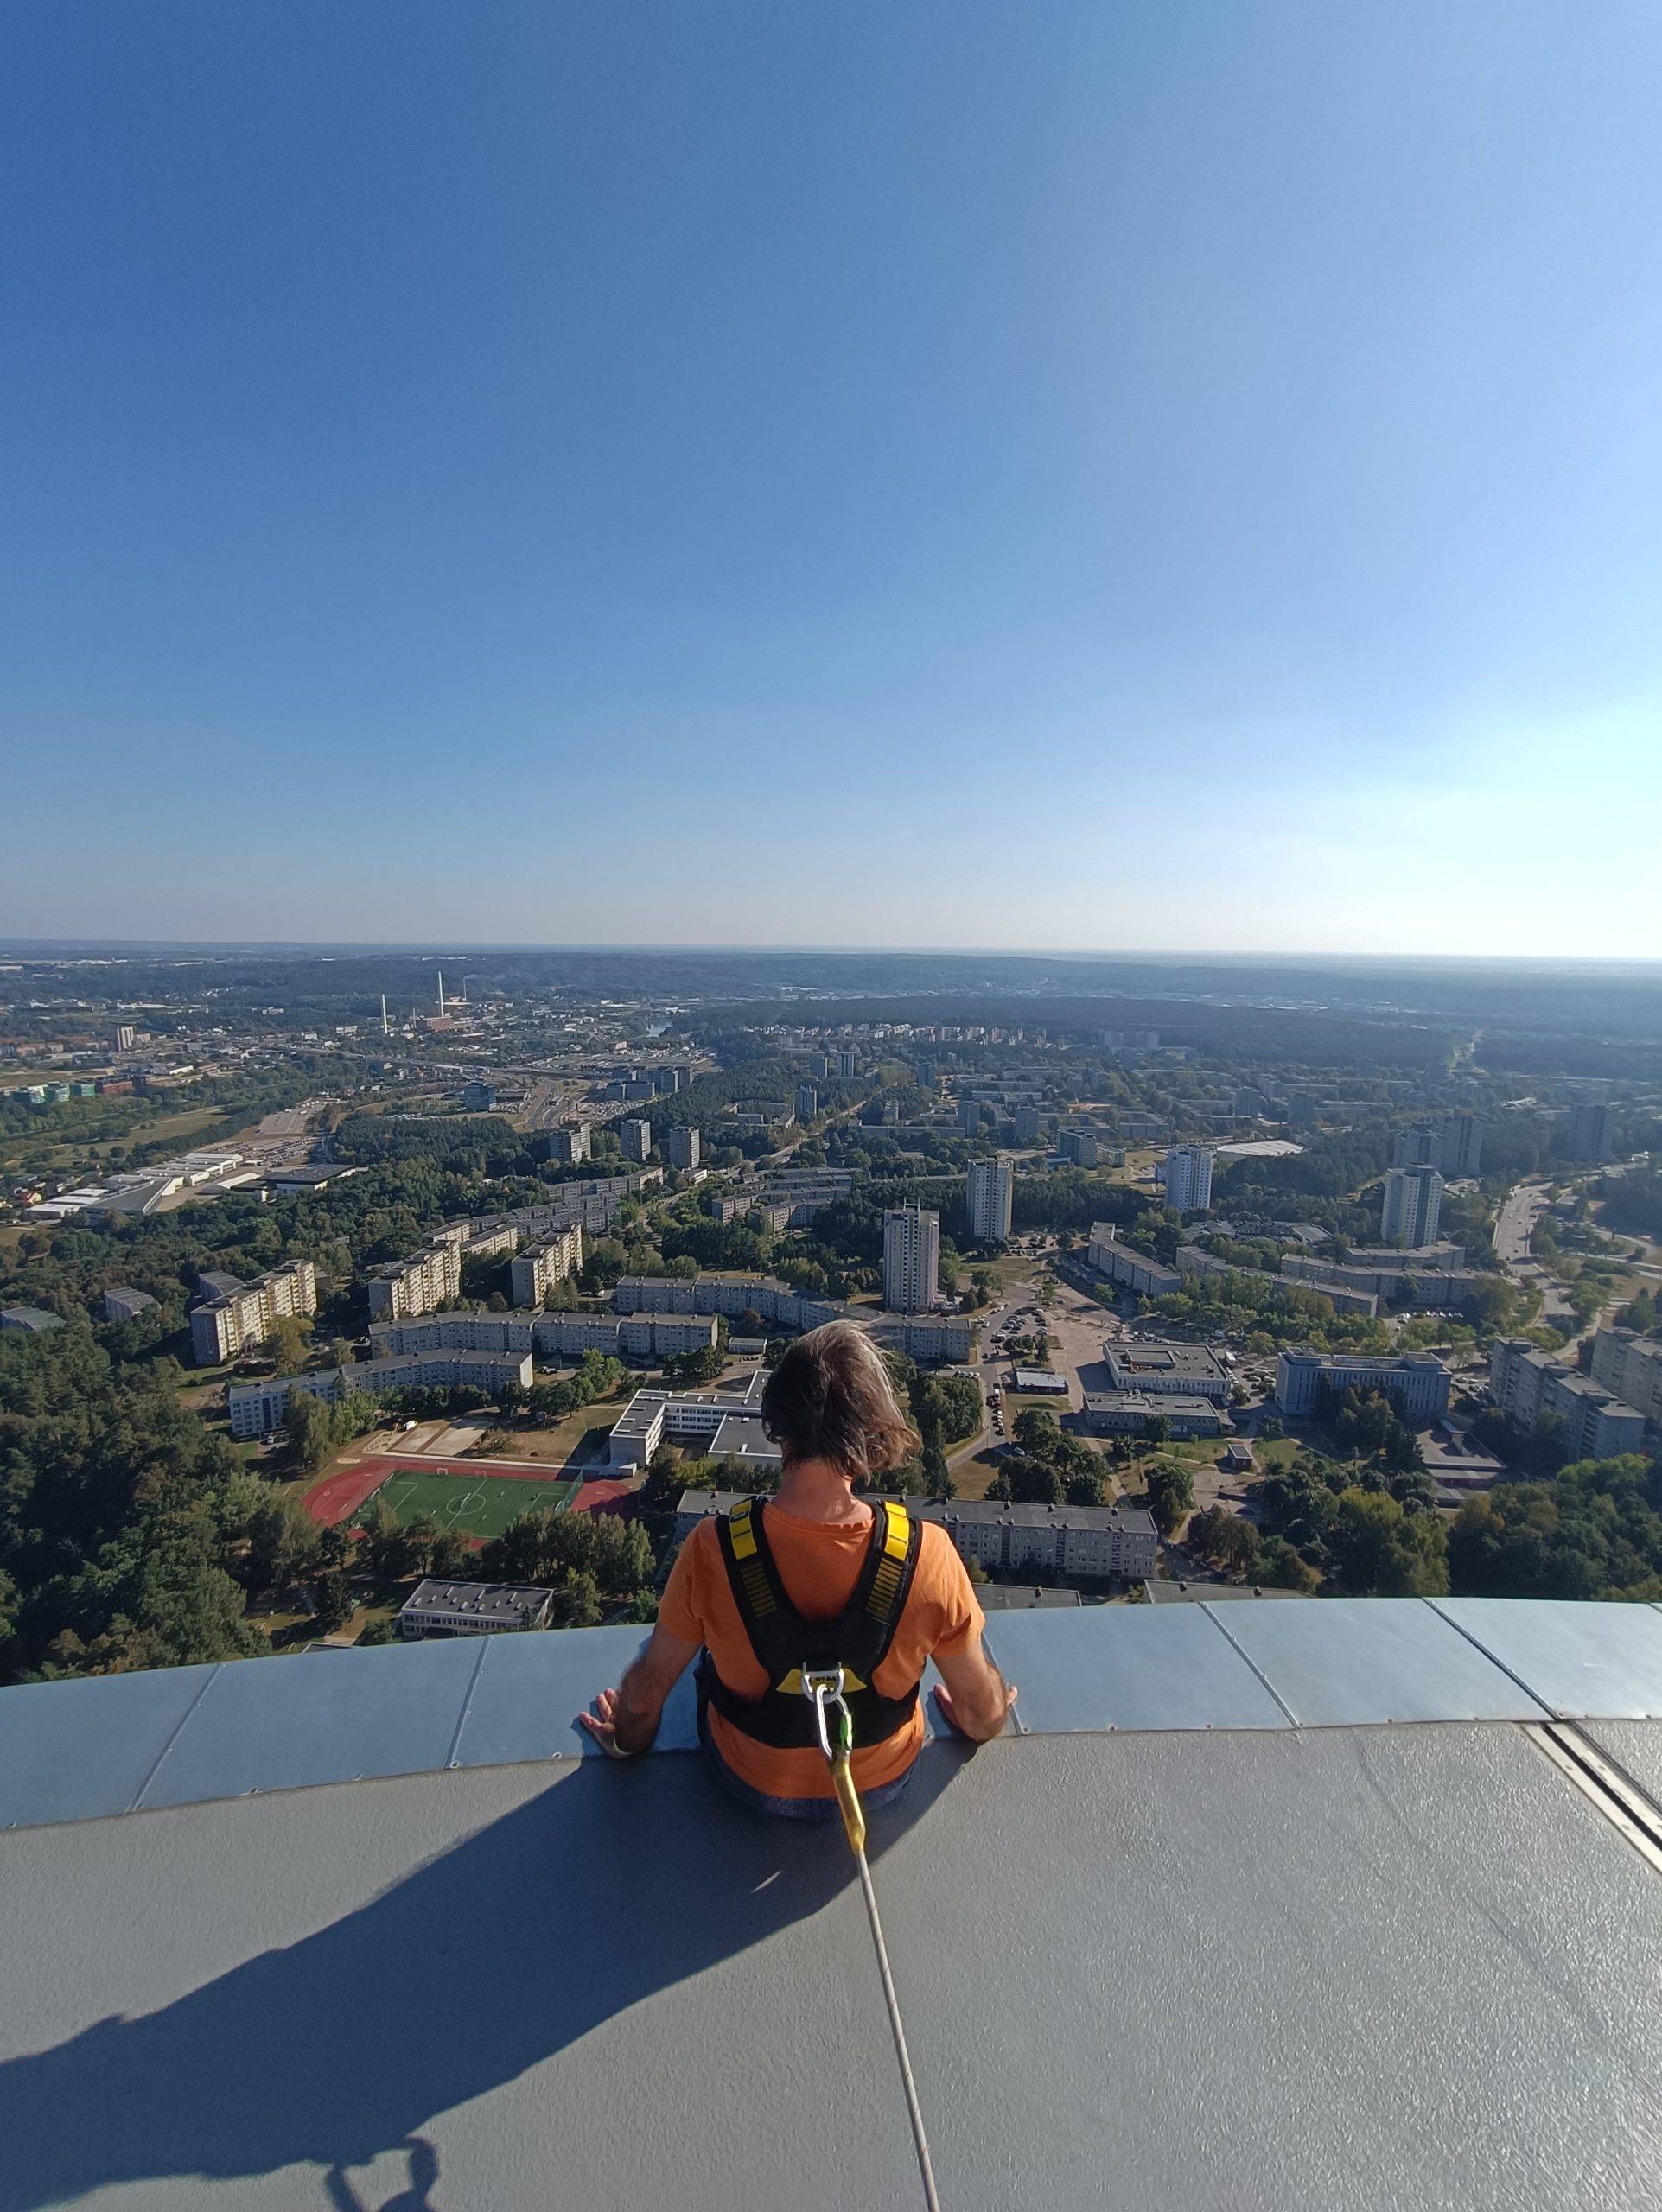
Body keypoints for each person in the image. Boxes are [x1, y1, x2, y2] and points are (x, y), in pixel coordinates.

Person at [579, 1320, 1016, 1815]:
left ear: (777, 1423)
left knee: (705, 1657)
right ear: (871, 1426)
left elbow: (647, 1693)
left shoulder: (714, 1550)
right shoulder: (926, 1555)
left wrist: (625, 1740)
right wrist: (989, 1705)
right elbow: (982, 1717)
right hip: (881, 1780)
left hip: (750, 1779)